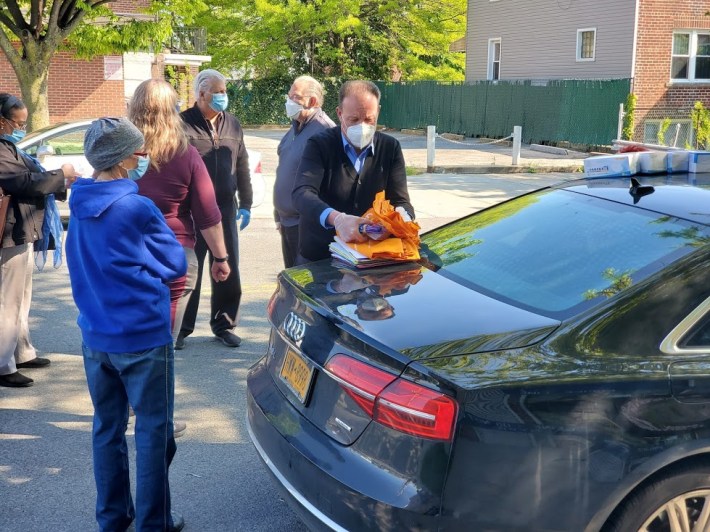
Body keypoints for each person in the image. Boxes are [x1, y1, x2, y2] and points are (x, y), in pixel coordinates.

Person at [65, 118, 187, 532]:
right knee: (154, 433)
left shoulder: (78, 203)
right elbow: (174, 263)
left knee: (107, 429)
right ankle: (155, 524)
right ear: (123, 159)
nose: (144, 158)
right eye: (140, 151)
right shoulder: (136, 207)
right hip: (143, 337)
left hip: (96, 335)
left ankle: (113, 520)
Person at [128, 79, 230, 346]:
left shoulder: (121, 154)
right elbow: (208, 215)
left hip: (125, 254)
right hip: (173, 255)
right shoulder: (186, 154)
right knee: (163, 348)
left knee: (130, 346)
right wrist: (220, 258)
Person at [0, 93, 77, 388]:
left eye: (23, 122)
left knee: (20, 297)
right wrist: (60, 176)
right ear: (1, 121)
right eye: (16, 123)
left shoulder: (9, 146)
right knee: (8, 299)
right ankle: (3, 363)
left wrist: (56, 178)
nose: (20, 127)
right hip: (9, 233)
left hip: (21, 229)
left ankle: (20, 351)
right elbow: (21, 182)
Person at [292, 80, 415, 263]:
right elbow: (302, 194)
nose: (362, 126)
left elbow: (401, 201)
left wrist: (399, 220)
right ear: (340, 114)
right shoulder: (319, 145)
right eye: (354, 120)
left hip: (370, 257)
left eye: (369, 119)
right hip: (321, 258)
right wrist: (338, 219)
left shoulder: (390, 148)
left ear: (378, 112)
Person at [179, 69, 253, 349]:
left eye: (225, 91)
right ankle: (182, 329)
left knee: (227, 266)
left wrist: (245, 203)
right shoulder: (182, 124)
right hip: (192, 209)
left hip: (225, 208)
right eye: (218, 92)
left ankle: (224, 324)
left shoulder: (232, 124)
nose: (223, 97)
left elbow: (242, 165)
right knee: (191, 269)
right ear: (201, 94)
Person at [274, 75, 335, 268]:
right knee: (292, 283)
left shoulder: (324, 132)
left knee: (304, 285)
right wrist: (278, 214)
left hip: (306, 225)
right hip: (287, 223)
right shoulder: (294, 129)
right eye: (289, 96)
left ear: (313, 101)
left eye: (295, 97)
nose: (289, 102)